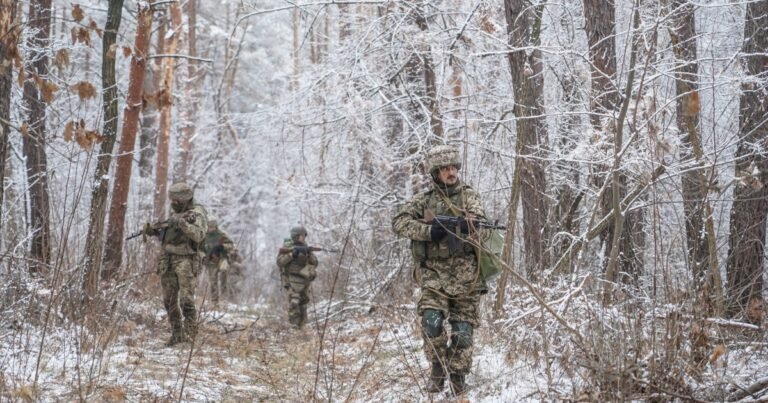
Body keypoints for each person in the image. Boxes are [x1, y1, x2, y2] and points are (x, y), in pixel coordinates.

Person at [391, 144, 489, 396]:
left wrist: (472, 227)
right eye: (445, 169)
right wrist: (427, 232)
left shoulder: (469, 196)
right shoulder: (424, 200)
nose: (451, 172)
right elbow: (399, 221)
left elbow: (483, 224)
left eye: (453, 167)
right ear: (435, 173)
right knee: (431, 321)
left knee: (463, 331)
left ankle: (457, 377)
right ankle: (437, 366)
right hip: (433, 275)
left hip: (467, 276)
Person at [145, 182, 208, 346]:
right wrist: (155, 231)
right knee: (169, 300)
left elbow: (199, 235)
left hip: (186, 259)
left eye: (176, 200)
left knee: (186, 300)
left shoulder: (197, 213)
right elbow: (169, 236)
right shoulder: (176, 212)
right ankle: (177, 335)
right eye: (172, 200)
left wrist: (182, 224)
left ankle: (190, 337)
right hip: (168, 259)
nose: (173, 203)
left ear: (185, 199)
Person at [276, 226, 318, 329]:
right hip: (291, 279)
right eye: (301, 236)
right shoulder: (288, 247)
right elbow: (280, 262)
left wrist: (309, 254)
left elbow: (315, 263)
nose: (303, 238)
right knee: (294, 301)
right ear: (295, 236)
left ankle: (303, 325)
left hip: (304, 280)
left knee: (303, 302)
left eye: (304, 236)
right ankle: (294, 325)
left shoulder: (305, 247)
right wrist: (292, 255)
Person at [202, 219, 234, 306]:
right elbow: (201, 248)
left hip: (222, 258)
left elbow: (231, 245)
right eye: (209, 227)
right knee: (213, 282)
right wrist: (204, 257)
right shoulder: (205, 236)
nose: (210, 229)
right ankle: (214, 302)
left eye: (212, 227)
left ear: (216, 227)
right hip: (211, 261)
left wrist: (223, 246)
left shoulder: (221, 235)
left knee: (223, 277)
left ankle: (224, 300)